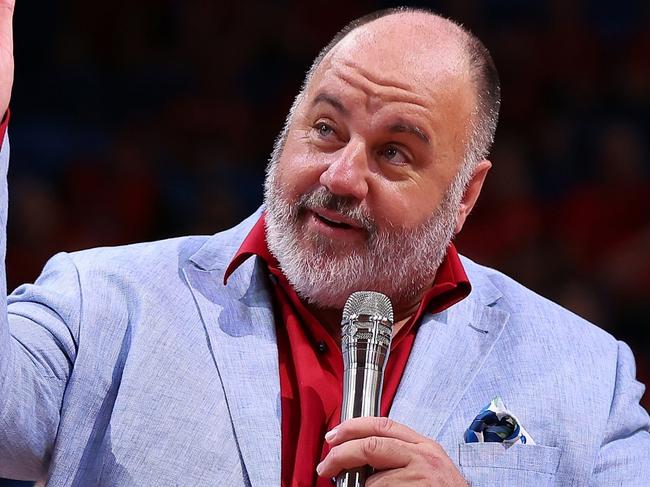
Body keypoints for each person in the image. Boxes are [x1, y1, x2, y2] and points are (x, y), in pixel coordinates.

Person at [0, 4, 648, 486]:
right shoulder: (100, 306)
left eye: (394, 151)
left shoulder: (588, 375)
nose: (339, 176)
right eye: (325, 128)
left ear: (466, 196)